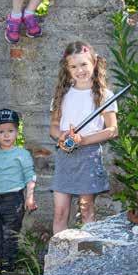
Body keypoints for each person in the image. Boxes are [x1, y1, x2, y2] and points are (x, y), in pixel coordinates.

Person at [49, 41, 119, 234]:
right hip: (65, 156)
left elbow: (113, 130)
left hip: (88, 156)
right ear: (67, 68)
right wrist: (61, 136)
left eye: (83, 64)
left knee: (86, 208)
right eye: (74, 66)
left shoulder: (105, 95)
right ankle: (60, 258)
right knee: (60, 212)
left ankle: (88, 254)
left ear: (94, 63)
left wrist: (84, 140)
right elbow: (54, 127)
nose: (79, 70)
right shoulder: (61, 95)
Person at [0, 109, 37, 271]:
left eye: (10, 131)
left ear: (17, 132)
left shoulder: (22, 154)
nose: (6, 135)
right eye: (1, 132)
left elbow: (30, 176)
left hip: (14, 199)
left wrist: (29, 197)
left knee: (10, 233)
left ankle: (8, 263)